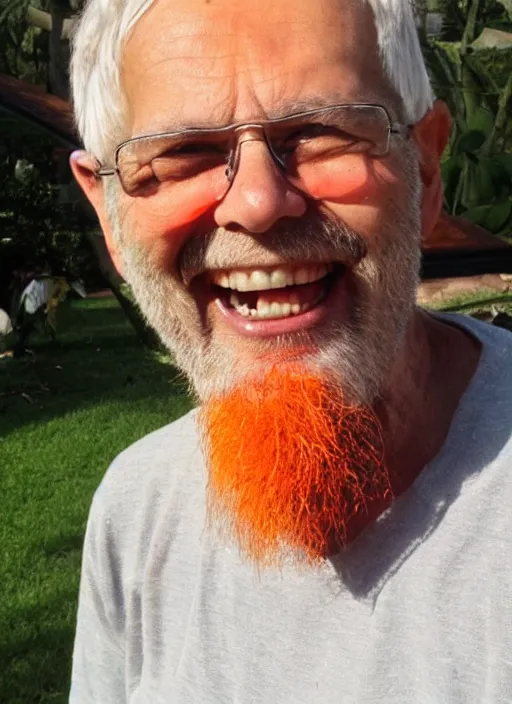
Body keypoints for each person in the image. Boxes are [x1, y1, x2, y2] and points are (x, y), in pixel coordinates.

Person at [68, 0, 512, 701]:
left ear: (426, 170)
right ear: (110, 218)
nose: (256, 202)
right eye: (184, 153)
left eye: (320, 133)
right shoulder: (135, 512)